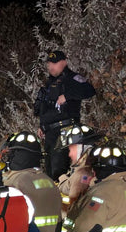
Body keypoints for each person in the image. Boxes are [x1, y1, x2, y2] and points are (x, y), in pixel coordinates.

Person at [34, 50, 96, 180]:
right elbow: (46, 107)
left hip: (65, 131)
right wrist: (43, 125)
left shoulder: (72, 78)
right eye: (49, 63)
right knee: (50, 171)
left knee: (59, 171)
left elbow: (90, 90)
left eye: (55, 63)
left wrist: (67, 96)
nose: (51, 66)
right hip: (50, 133)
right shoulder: (50, 83)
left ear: (64, 62)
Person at [56, 124, 106, 213]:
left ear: (81, 148)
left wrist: (53, 202)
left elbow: (73, 212)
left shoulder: (83, 174)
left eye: (71, 149)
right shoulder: (92, 168)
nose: (69, 154)